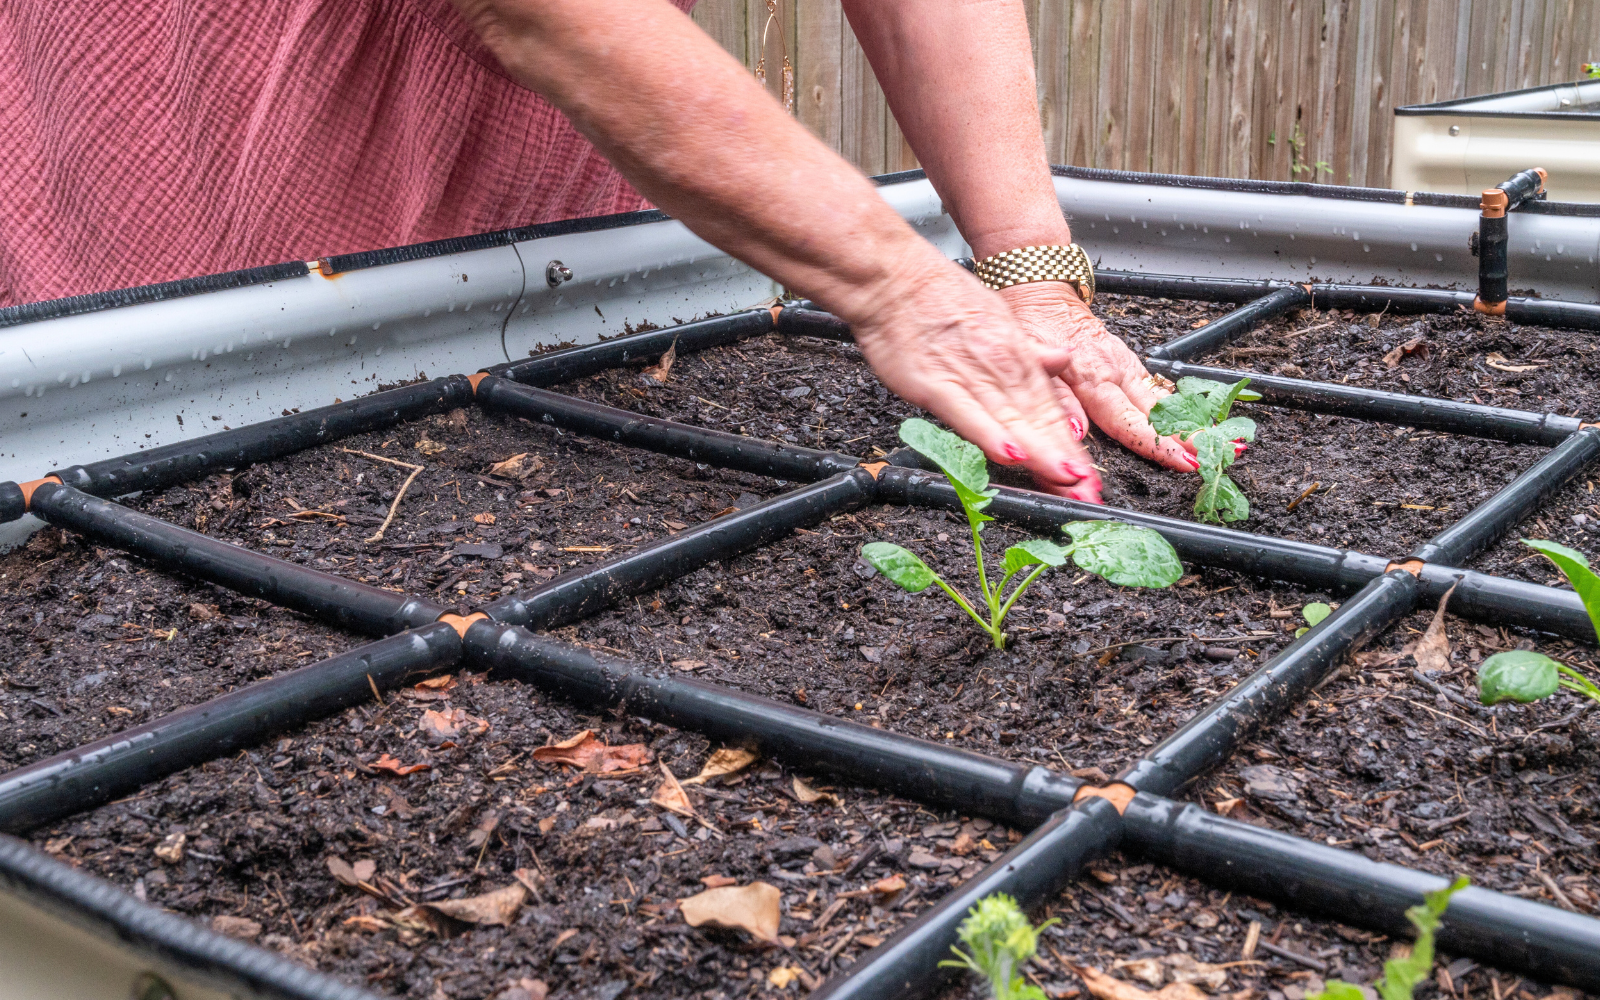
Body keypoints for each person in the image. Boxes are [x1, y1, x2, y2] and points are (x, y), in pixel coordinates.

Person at [0, 0, 1196, 500]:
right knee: (217, 464)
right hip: (230, 99)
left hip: (554, 133)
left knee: (538, 383)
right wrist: (898, 287)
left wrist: (1031, 272)